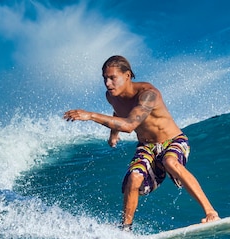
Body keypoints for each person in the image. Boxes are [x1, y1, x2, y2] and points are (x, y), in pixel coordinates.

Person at [64, 55, 219, 230]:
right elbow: (118, 112)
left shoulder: (148, 94)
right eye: (105, 79)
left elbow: (130, 125)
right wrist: (113, 134)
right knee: (134, 177)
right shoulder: (111, 96)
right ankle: (126, 228)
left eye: (112, 78)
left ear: (127, 76)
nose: (107, 83)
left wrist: (91, 115)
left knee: (170, 161)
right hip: (146, 146)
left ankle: (210, 212)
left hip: (173, 141)